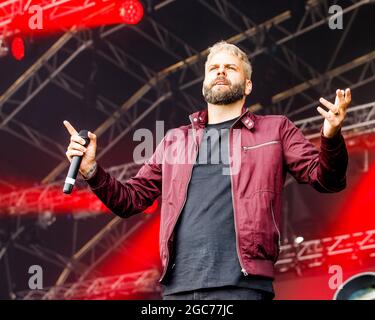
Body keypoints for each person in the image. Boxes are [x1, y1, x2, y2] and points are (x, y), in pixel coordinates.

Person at [63, 41, 350, 300]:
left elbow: (327, 179)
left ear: (248, 85)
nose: (221, 72)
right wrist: (91, 170)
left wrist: (332, 135)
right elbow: (131, 200)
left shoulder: (275, 129)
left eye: (230, 68)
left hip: (243, 285)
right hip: (179, 287)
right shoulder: (176, 139)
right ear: (204, 82)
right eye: (214, 68)